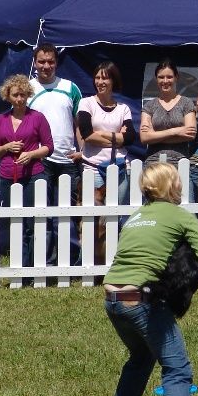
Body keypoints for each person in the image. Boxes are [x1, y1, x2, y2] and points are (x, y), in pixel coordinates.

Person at [102, 162, 198, 396]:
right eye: (178, 181)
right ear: (171, 186)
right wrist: (183, 287)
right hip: (141, 301)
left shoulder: (136, 217)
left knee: (141, 358)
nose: (180, 186)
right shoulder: (179, 216)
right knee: (177, 367)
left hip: (113, 299)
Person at [73, 62, 136, 261]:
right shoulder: (86, 103)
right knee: (91, 219)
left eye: (105, 78)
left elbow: (130, 138)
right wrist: (116, 137)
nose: (100, 82)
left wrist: (101, 133)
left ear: (113, 81)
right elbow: (87, 134)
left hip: (119, 168)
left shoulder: (123, 108)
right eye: (97, 77)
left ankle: (112, 261)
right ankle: (87, 263)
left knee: (114, 218)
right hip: (92, 168)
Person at [0, 75, 53, 266]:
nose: (19, 99)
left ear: (28, 95)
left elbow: (49, 147)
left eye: (23, 95)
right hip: (8, 175)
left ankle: (34, 266)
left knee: (33, 223)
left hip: (33, 174)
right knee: (15, 223)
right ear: (7, 96)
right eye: (15, 95)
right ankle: (19, 267)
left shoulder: (37, 118)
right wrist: (6, 147)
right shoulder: (1, 120)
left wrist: (32, 154)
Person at [28, 44, 83, 263]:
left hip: (68, 159)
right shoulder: (27, 88)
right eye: (41, 61)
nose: (46, 66)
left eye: (50, 61)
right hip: (41, 160)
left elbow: (79, 124)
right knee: (44, 213)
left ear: (56, 63)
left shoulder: (71, 87)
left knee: (70, 214)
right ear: (35, 63)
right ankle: (47, 263)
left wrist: (81, 151)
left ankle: (72, 261)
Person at [140, 58, 197, 167]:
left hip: (180, 163)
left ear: (176, 78)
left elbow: (190, 134)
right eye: (161, 77)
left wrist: (155, 136)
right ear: (156, 79)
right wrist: (176, 131)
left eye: (169, 77)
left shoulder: (186, 103)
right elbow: (144, 138)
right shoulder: (149, 106)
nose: (165, 81)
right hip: (153, 163)